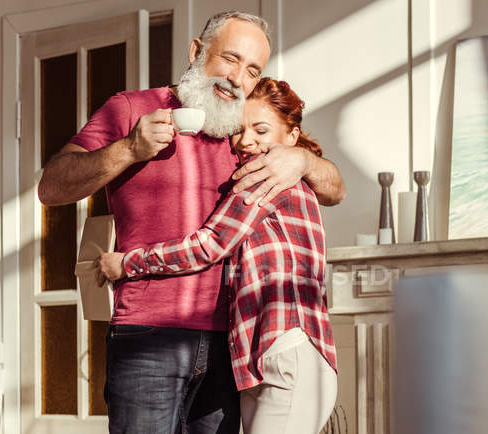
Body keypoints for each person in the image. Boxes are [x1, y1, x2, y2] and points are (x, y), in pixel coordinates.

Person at [37, 11, 344, 434]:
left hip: (231, 346)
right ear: (196, 52)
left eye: (252, 69)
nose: (238, 78)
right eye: (230, 59)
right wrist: (129, 148)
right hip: (148, 336)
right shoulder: (131, 108)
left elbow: (334, 189)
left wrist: (304, 158)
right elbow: (51, 187)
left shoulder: (246, 134)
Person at [96, 77, 337, 434]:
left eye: (261, 129)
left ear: (291, 136)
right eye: (240, 130)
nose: (245, 140)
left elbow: (209, 244)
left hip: (286, 355)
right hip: (268, 360)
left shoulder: (267, 177)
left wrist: (126, 263)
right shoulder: (294, 178)